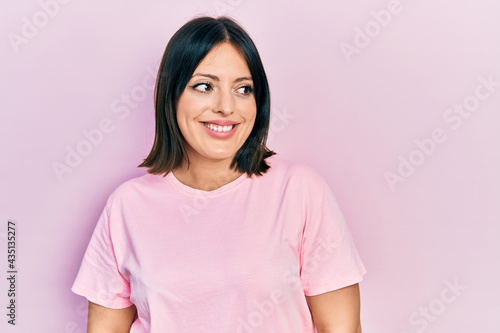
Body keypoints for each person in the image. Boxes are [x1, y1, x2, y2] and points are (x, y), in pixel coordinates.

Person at [71, 15, 366, 332]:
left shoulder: (301, 192)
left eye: (243, 88)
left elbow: (342, 328)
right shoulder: (127, 206)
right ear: (171, 95)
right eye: (204, 86)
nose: (226, 106)